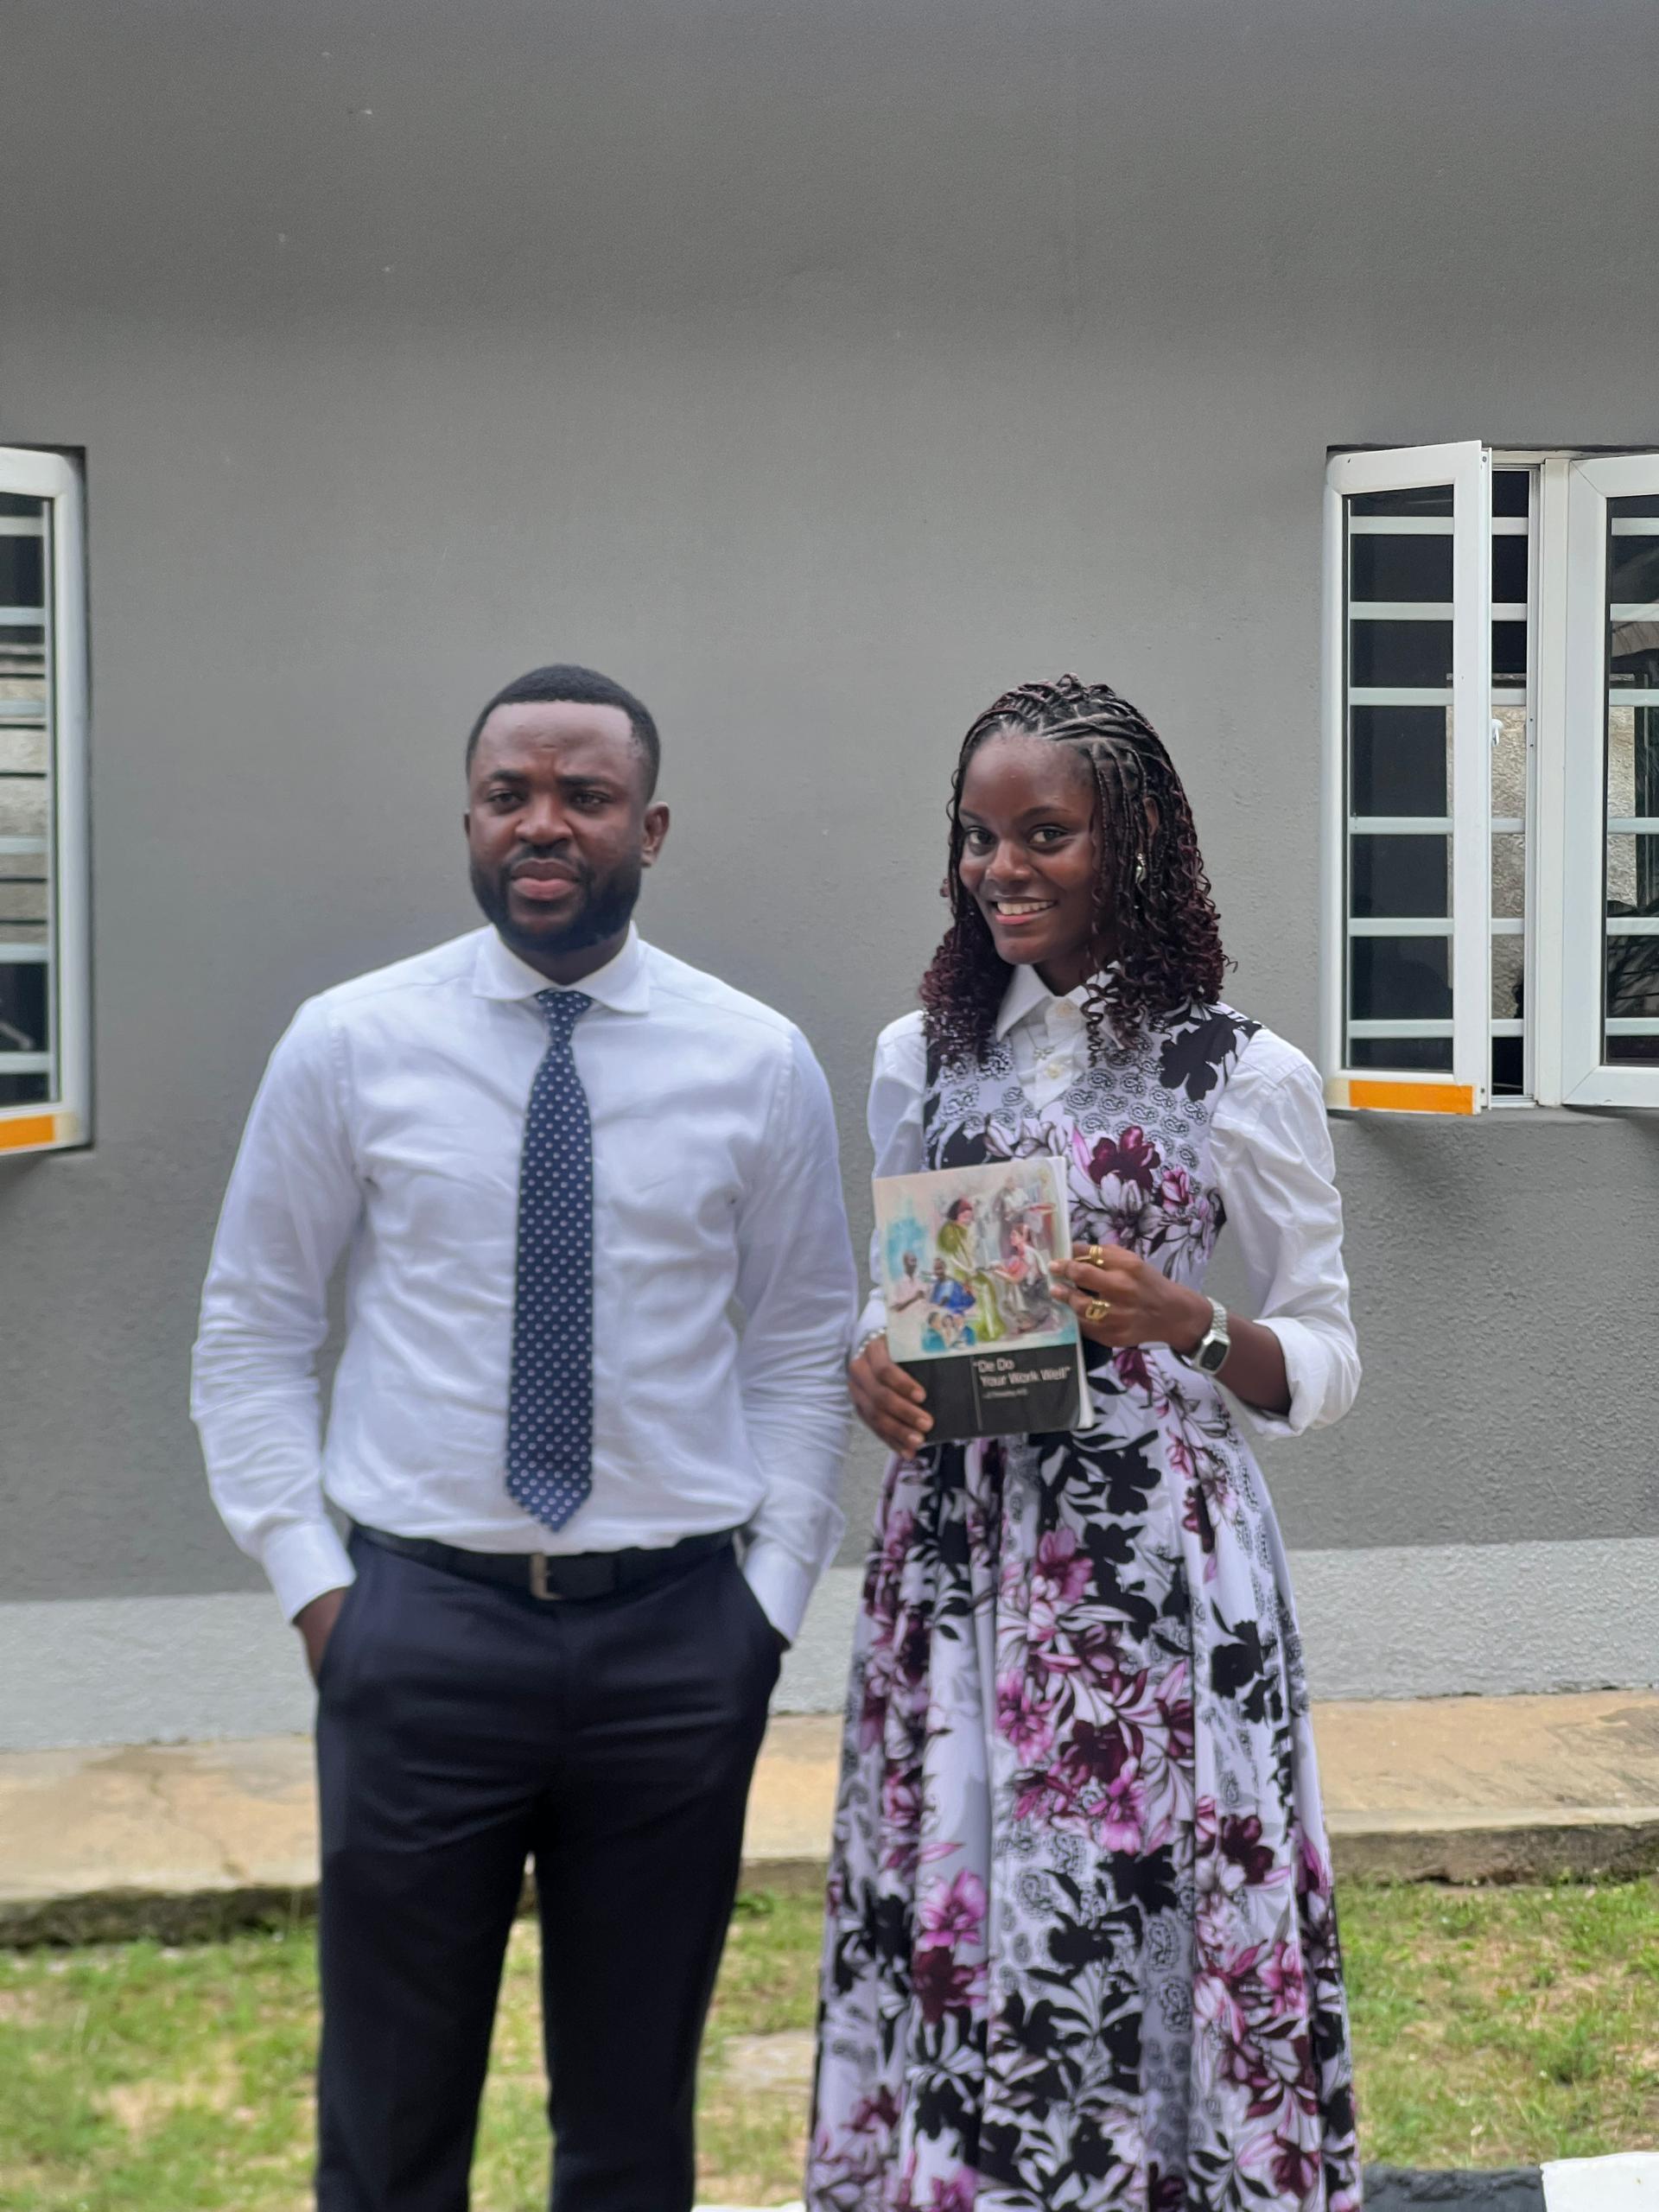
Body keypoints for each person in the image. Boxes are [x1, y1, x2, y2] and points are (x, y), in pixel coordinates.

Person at [191, 663, 858, 2212]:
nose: (542, 825)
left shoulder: (755, 1060)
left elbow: (799, 1347)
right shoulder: (349, 1044)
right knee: (387, 2123)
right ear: (470, 821)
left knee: (631, 2130)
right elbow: (253, 1328)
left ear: (651, 827)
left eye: (585, 796)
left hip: (676, 1646)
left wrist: (763, 1608)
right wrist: (319, 1590)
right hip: (419, 1634)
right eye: (509, 796)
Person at [811, 676, 1363, 2211]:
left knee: (1139, 1900)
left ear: (1134, 844)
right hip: (958, 1555)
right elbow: (890, 1294)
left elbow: (1326, 1353)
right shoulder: (919, 1055)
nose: (1002, 869)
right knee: (970, 1879)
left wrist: (1196, 1323)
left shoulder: (1244, 1073)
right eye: (977, 837)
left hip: (1157, 1573)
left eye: (1043, 835)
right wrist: (874, 1366)